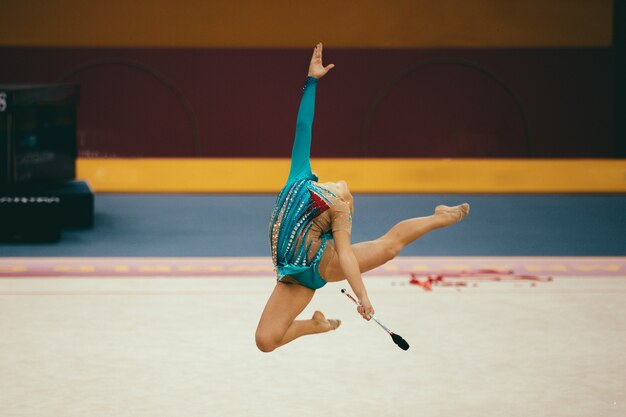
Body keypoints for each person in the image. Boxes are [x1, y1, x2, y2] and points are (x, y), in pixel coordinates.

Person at [255, 43, 469, 352]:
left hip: (318, 268)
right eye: (339, 187)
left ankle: (439, 217)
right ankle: (316, 325)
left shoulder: (338, 211)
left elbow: (346, 256)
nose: (341, 187)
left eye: (344, 191)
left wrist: (363, 296)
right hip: (292, 276)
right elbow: (303, 127)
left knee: (389, 247)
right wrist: (311, 81)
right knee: (265, 341)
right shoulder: (299, 176)